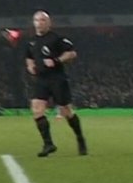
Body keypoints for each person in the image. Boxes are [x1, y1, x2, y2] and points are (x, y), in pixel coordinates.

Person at [25, 11, 87, 157]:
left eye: (42, 20)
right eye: (37, 20)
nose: (39, 23)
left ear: (48, 23)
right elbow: (29, 57)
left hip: (57, 78)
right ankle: (48, 144)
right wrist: (30, 67)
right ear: (33, 22)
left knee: (66, 112)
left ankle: (80, 138)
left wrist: (56, 61)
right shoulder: (31, 42)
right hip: (41, 80)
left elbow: (71, 53)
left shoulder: (57, 39)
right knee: (36, 110)